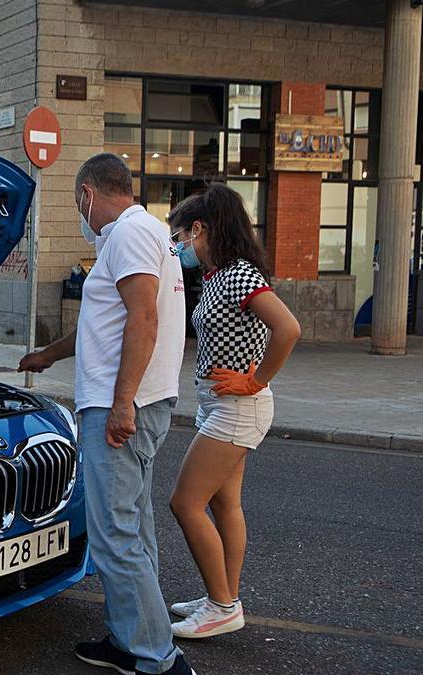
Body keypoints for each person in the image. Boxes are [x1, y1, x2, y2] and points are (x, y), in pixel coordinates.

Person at [18, 153, 192, 675]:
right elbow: (109, 320)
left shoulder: (129, 234)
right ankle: (127, 638)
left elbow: (143, 317)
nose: (80, 213)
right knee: (133, 530)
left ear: (89, 192)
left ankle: (158, 657)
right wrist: (49, 355)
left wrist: (121, 404)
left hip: (123, 408)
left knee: (116, 535)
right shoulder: (145, 234)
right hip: (135, 401)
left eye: (78, 203)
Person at [165, 184, 300, 639]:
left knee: (185, 503)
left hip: (238, 407)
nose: (177, 247)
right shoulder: (218, 275)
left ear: (199, 229)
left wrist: (256, 379)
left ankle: (223, 606)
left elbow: (288, 328)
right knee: (225, 504)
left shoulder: (239, 274)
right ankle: (224, 597)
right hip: (218, 403)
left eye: (179, 237)